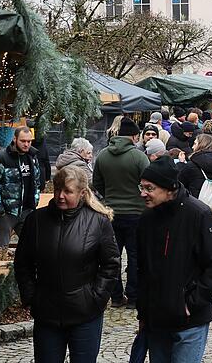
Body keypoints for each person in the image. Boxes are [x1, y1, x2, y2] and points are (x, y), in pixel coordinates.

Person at [15, 165, 120, 363]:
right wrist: (31, 297)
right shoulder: (36, 221)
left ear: (82, 193)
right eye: (57, 190)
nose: (60, 196)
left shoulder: (98, 222)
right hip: (47, 313)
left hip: (85, 313)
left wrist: (96, 297)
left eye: (68, 191)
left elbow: (111, 264)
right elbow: (23, 263)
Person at [137, 156, 212, 363]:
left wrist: (192, 303)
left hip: (189, 322)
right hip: (157, 321)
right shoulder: (146, 218)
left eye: (149, 188)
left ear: (169, 189)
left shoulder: (198, 214)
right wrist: (143, 311)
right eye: (141, 187)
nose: (143, 193)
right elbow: (142, 268)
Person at [93, 117, 149, 309]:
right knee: (135, 257)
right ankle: (133, 297)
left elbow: (97, 182)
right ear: (134, 136)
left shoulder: (102, 155)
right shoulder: (139, 157)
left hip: (111, 213)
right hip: (136, 213)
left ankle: (116, 297)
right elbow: (148, 183)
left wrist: (109, 196)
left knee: (112, 257)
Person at [0, 126, 41, 248]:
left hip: (26, 210)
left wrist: (34, 202)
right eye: (23, 141)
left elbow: (36, 182)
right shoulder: (0, 158)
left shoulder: (32, 157)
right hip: (5, 212)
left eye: (29, 141)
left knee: (32, 246)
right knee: (1, 249)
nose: (26, 144)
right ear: (15, 139)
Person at [179, 134, 212, 232]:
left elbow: (180, 187)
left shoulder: (190, 167)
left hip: (193, 215)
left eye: (195, 144)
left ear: (201, 145)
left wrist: (181, 164)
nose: (192, 147)